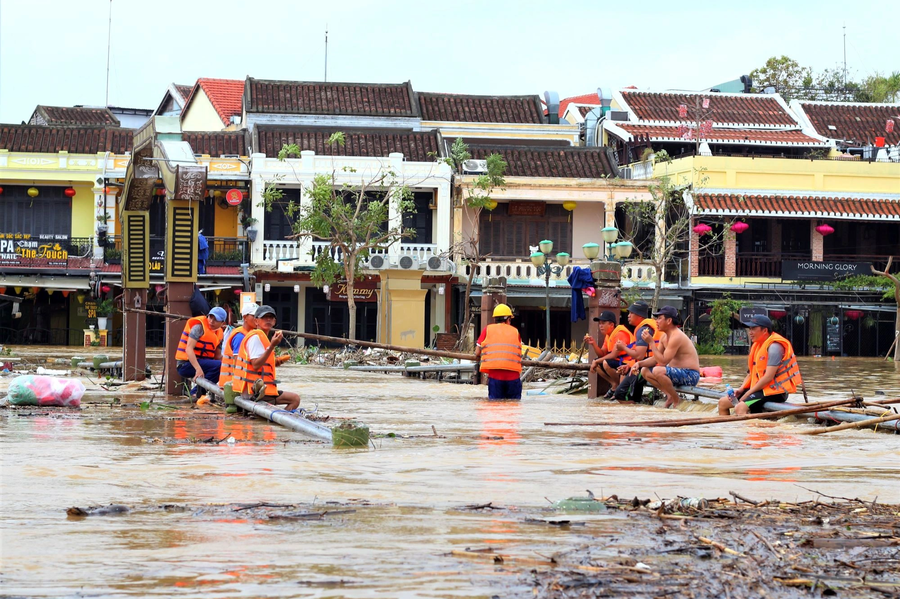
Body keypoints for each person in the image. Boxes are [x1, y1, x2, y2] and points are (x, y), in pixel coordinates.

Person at [717, 314, 802, 416]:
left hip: (775, 392)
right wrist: (741, 389)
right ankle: (728, 426)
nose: (750, 332)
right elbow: (750, 374)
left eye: (753, 329)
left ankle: (752, 426)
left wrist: (748, 393)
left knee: (740, 408)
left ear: (765, 330)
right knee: (723, 403)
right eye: (750, 329)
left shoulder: (774, 347)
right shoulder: (757, 345)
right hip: (759, 389)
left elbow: (768, 377)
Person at [233, 305, 301, 411]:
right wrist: (272, 346)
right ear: (256, 321)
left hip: (258, 390)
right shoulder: (256, 337)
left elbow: (262, 364)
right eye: (264, 317)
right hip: (254, 392)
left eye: (271, 317)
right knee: (295, 399)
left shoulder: (262, 337)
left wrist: (276, 361)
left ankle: (276, 417)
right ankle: (279, 418)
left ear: (274, 322)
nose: (268, 320)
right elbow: (256, 364)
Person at [633, 306, 701, 409]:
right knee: (644, 371)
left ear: (669, 321)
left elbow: (663, 362)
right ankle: (669, 395)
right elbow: (655, 359)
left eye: (660, 318)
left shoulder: (676, 336)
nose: (657, 321)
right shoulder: (664, 337)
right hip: (675, 373)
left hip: (690, 374)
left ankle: (676, 399)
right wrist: (639, 364)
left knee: (658, 370)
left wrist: (651, 343)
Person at [609, 302, 659, 401]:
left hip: (649, 367)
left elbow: (639, 355)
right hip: (647, 365)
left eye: (631, 313)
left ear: (639, 315)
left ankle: (632, 409)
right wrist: (629, 365)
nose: (628, 316)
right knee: (631, 397)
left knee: (621, 394)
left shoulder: (643, 330)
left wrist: (623, 347)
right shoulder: (645, 328)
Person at [474, 304, 523, 400]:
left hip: (495, 377)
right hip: (513, 377)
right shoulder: (515, 331)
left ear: (495, 319)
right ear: (508, 319)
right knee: (514, 406)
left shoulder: (487, 329)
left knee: (495, 406)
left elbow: (477, 352)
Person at [175, 306, 226, 396]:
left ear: (222, 323)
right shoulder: (199, 327)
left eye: (216, 320)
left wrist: (231, 364)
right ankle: (195, 393)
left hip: (201, 363)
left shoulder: (219, 334)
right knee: (219, 366)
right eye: (210, 317)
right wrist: (198, 369)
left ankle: (198, 393)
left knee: (222, 366)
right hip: (185, 364)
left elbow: (218, 356)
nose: (211, 321)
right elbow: (189, 348)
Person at [584, 310, 634, 397]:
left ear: (611, 325)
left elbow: (613, 355)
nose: (600, 326)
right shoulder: (608, 335)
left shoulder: (620, 333)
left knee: (605, 363)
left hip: (628, 363)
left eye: (603, 323)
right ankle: (614, 384)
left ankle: (619, 386)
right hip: (618, 362)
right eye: (599, 323)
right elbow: (602, 353)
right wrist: (593, 344)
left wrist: (596, 361)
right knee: (598, 363)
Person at [218, 303, 258, 388]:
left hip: (237, 383)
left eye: (258, 316)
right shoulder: (240, 336)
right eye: (254, 316)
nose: (257, 319)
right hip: (232, 385)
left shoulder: (250, 334)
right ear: (245, 317)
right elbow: (238, 364)